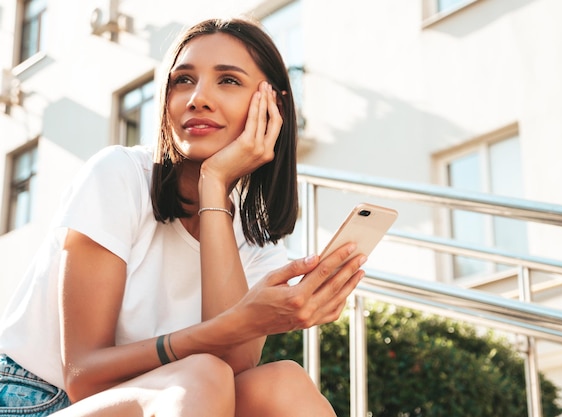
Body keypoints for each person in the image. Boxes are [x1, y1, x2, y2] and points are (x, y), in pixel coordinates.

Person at [0, 17, 367, 416]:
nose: (198, 98)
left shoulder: (260, 246)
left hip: (172, 399)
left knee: (283, 383)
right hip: (34, 399)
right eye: (183, 81)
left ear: (272, 105)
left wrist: (215, 184)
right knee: (201, 374)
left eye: (228, 81)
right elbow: (84, 375)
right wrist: (233, 325)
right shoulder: (118, 175)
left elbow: (234, 368)